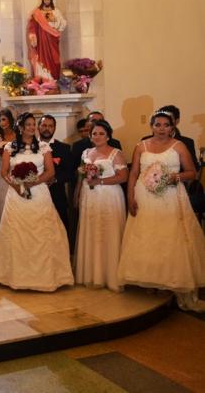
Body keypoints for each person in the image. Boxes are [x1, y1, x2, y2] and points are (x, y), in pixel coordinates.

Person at [117, 111, 205, 311]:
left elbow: (192, 172)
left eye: (166, 125)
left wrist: (175, 177)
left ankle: (169, 280)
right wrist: (130, 197)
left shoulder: (179, 146)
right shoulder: (142, 146)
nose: (162, 128)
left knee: (169, 238)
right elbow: (134, 173)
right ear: (151, 126)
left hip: (171, 196)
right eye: (158, 124)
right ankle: (149, 279)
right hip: (144, 197)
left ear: (172, 127)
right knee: (147, 236)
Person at [0, 112, 74, 291]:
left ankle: (45, 275)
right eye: (28, 124)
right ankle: (15, 275)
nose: (32, 127)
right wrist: (17, 186)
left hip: (39, 191)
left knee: (41, 232)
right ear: (20, 127)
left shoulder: (43, 147)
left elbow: (50, 172)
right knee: (17, 233)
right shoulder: (10, 147)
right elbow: (4, 171)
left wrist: (32, 182)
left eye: (34, 124)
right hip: (16, 193)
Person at [74, 120, 128, 291]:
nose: (97, 136)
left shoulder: (115, 153)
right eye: (94, 133)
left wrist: (100, 181)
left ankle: (111, 276)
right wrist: (77, 193)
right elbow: (82, 177)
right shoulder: (86, 153)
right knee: (92, 232)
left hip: (109, 196)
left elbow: (123, 177)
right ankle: (92, 274)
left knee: (108, 232)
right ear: (90, 136)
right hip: (89, 197)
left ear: (108, 136)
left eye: (101, 134)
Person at [39, 114, 73, 236]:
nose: (47, 128)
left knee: (60, 228)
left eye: (50, 126)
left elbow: (70, 173)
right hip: (36, 192)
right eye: (43, 125)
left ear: (54, 128)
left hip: (57, 194)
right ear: (38, 127)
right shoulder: (31, 147)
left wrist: (56, 179)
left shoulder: (64, 148)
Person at [27, 0, 66, 81]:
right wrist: (33, 36)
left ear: (51, 0)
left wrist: (55, 20)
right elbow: (32, 24)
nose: (47, 1)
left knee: (55, 57)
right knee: (42, 56)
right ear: (43, 0)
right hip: (42, 38)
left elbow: (63, 22)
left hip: (53, 38)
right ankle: (44, 76)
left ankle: (54, 77)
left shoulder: (56, 11)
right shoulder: (38, 12)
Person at [0, 108, 15, 212]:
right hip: (0, 172)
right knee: (2, 200)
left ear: (10, 119)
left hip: (15, 171)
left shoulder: (18, 136)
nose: (2, 123)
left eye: (4, 119)